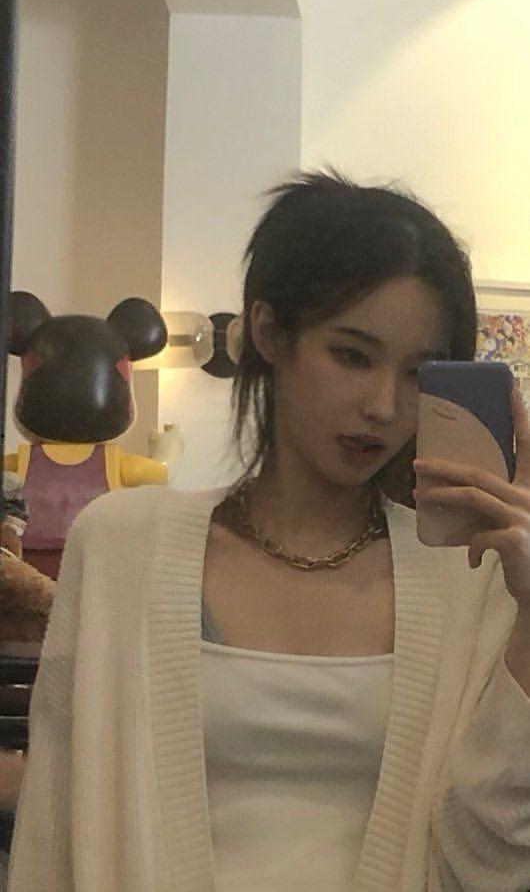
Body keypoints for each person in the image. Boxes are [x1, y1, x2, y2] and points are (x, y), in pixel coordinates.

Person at [7, 171, 530, 892]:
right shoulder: (121, 546)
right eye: (352, 355)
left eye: (420, 373)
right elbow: (53, 829)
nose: (383, 406)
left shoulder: (470, 580)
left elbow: (493, 858)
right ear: (269, 331)